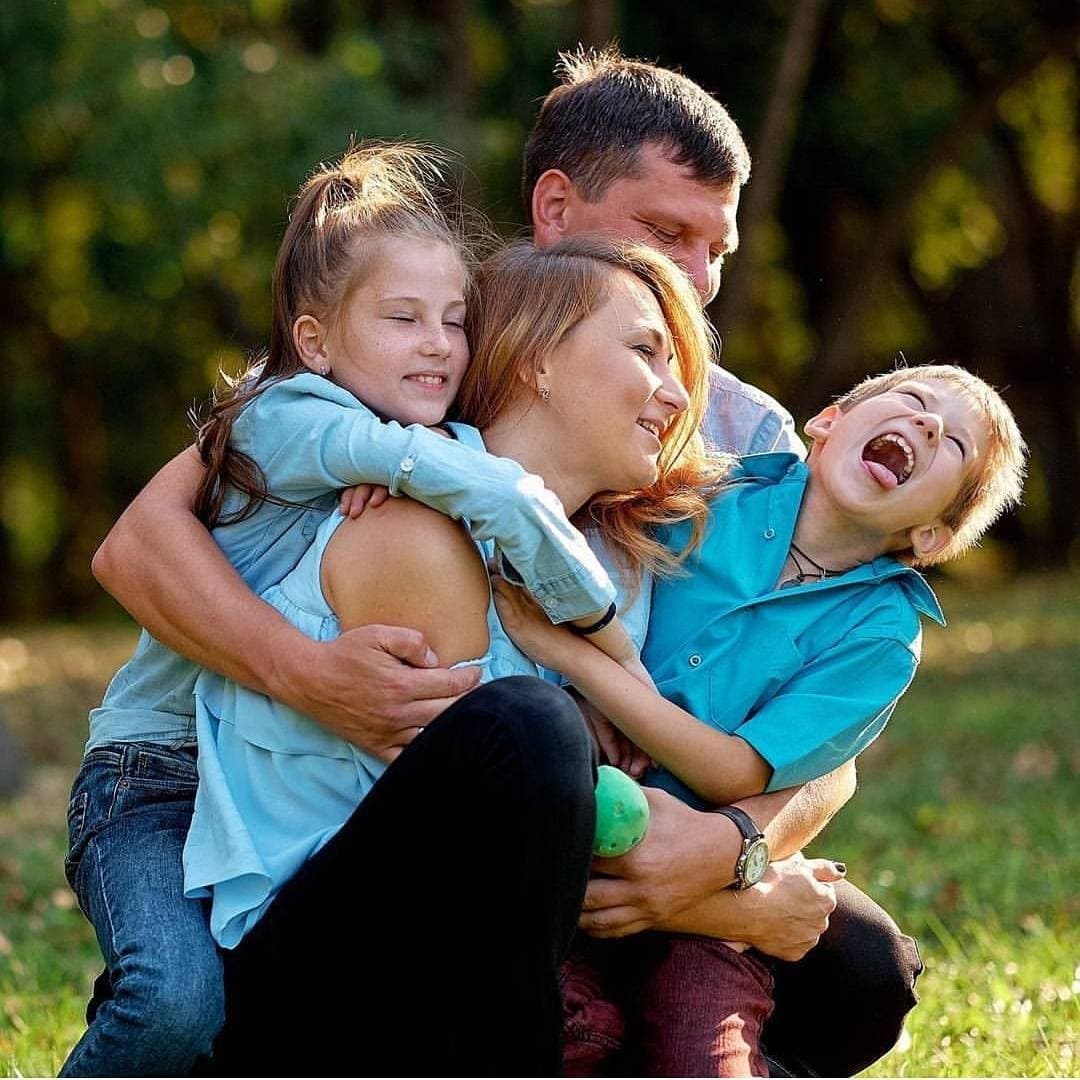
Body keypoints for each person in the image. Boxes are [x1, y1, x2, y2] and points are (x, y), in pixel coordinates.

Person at [90, 46, 919, 1077]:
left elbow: (814, 709)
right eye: (666, 234)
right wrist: (305, 670)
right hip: (323, 827)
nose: (699, 286)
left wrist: (729, 858)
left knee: (865, 968)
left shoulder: (737, 433)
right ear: (557, 207)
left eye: (719, 251)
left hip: (628, 817)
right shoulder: (400, 352)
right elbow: (137, 541)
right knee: (521, 742)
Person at [61, 143, 644, 1076]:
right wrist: (605, 636)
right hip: (156, 775)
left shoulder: (403, 443)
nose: (439, 345)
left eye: (456, 322)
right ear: (317, 340)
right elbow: (503, 498)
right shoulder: (286, 413)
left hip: (268, 777)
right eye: (404, 318)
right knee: (171, 1002)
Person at [184, 235, 718, 1074]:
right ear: (539, 360)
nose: (677, 392)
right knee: (532, 727)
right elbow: (492, 836)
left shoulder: (600, 566)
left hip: (439, 963)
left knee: (857, 963)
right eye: (645, 350)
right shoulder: (411, 527)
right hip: (304, 989)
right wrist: (589, 697)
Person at [494, 362, 1027, 1074]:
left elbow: (734, 769)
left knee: (703, 1055)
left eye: (953, 445)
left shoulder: (881, 635)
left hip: (715, 897)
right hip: (576, 842)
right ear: (829, 420)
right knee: (576, 1036)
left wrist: (593, 672)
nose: (928, 423)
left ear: (932, 537)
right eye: (912, 400)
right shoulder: (705, 490)